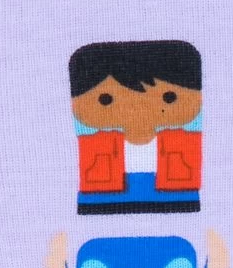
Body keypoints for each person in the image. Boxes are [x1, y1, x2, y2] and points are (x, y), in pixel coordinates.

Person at [70, 40, 202, 214]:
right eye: (105, 100)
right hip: (104, 196)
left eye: (169, 97)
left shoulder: (181, 141)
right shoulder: (97, 143)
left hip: (176, 195)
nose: (137, 110)